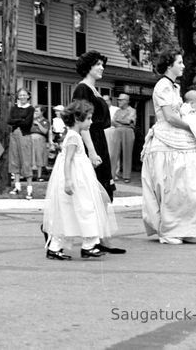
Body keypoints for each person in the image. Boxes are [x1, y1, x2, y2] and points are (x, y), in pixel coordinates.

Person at [141, 49, 196, 245]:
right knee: (173, 187)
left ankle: (188, 227)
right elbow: (169, 117)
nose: (183, 66)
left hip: (178, 138)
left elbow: (179, 112)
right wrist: (193, 127)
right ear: (170, 65)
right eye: (179, 62)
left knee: (188, 186)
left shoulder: (173, 87)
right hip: (166, 139)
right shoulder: (163, 86)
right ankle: (171, 230)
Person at [42, 101, 119, 260]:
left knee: (81, 209)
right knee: (83, 208)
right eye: (89, 118)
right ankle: (79, 245)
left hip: (81, 177)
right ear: (78, 119)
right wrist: (68, 181)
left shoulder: (74, 135)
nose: (91, 122)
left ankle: (82, 245)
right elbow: (67, 160)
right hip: (76, 180)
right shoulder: (73, 137)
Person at [71, 51, 126, 254]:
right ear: (88, 67)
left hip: (99, 140)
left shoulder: (93, 89)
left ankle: (100, 237)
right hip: (90, 142)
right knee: (92, 191)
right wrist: (92, 153)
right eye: (98, 65)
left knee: (103, 191)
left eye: (103, 64)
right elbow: (82, 123)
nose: (102, 68)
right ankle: (92, 239)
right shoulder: (82, 89)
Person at [8, 88, 35, 200]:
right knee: (15, 160)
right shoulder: (14, 108)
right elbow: (9, 121)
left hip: (25, 136)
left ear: (28, 96)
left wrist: (17, 120)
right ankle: (17, 186)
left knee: (26, 160)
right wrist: (21, 120)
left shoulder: (30, 109)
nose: (23, 97)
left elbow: (27, 123)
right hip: (14, 135)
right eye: (20, 95)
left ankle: (29, 188)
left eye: (25, 95)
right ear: (18, 97)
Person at [110, 93, 136, 183]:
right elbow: (113, 121)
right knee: (114, 153)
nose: (119, 102)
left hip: (128, 131)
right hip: (117, 130)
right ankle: (112, 174)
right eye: (119, 100)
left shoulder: (132, 110)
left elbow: (129, 121)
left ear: (127, 101)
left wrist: (119, 121)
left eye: (121, 100)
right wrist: (122, 122)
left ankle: (126, 176)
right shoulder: (117, 111)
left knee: (127, 153)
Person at [30, 105, 50, 181]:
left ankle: (39, 176)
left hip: (40, 140)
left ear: (42, 112)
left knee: (39, 156)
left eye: (37, 111)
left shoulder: (45, 121)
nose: (35, 113)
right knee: (31, 156)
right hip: (31, 139)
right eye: (35, 111)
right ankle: (30, 175)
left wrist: (38, 123)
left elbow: (45, 131)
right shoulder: (31, 120)